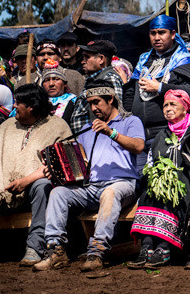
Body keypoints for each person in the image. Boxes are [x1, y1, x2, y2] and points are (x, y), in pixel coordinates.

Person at [35, 80, 145, 272]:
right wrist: (55, 167)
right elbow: (80, 163)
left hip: (123, 184)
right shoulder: (88, 128)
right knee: (58, 192)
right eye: (90, 103)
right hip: (91, 188)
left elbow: (138, 146)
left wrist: (111, 132)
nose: (93, 108)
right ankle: (56, 251)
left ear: (111, 99)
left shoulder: (130, 121)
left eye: (97, 102)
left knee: (110, 192)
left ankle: (97, 251)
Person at [0, 84, 70, 269]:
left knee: (44, 185)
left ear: (32, 107)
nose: (14, 106)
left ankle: (36, 247)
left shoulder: (57, 127)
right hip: (2, 189)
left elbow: (55, 165)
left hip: (33, 190)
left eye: (18, 102)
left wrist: (25, 181)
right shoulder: (7, 126)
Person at [129, 89, 190, 270]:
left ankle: (164, 248)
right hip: (165, 185)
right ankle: (147, 247)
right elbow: (151, 161)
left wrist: (173, 177)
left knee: (171, 191)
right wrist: (156, 176)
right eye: (165, 105)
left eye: (172, 104)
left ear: (185, 107)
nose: (167, 108)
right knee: (149, 193)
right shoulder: (161, 134)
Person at [125, 15, 190, 141]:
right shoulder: (144, 60)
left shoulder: (184, 60)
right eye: (153, 33)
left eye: (161, 32)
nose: (157, 38)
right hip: (138, 133)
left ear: (172, 34)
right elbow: (130, 92)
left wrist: (160, 87)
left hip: (168, 132)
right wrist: (130, 119)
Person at [70, 40, 125, 133]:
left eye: (86, 57)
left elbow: (116, 115)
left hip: (99, 140)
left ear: (101, 59)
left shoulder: (109, 78)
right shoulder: (92, 80)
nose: (82, 61)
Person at [17, 39, 84, 94]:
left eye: (50, 54)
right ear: (36, 59)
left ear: (60, 57)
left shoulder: (74, 76)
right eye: (41, 54)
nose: (46, 57)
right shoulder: (25, 80)